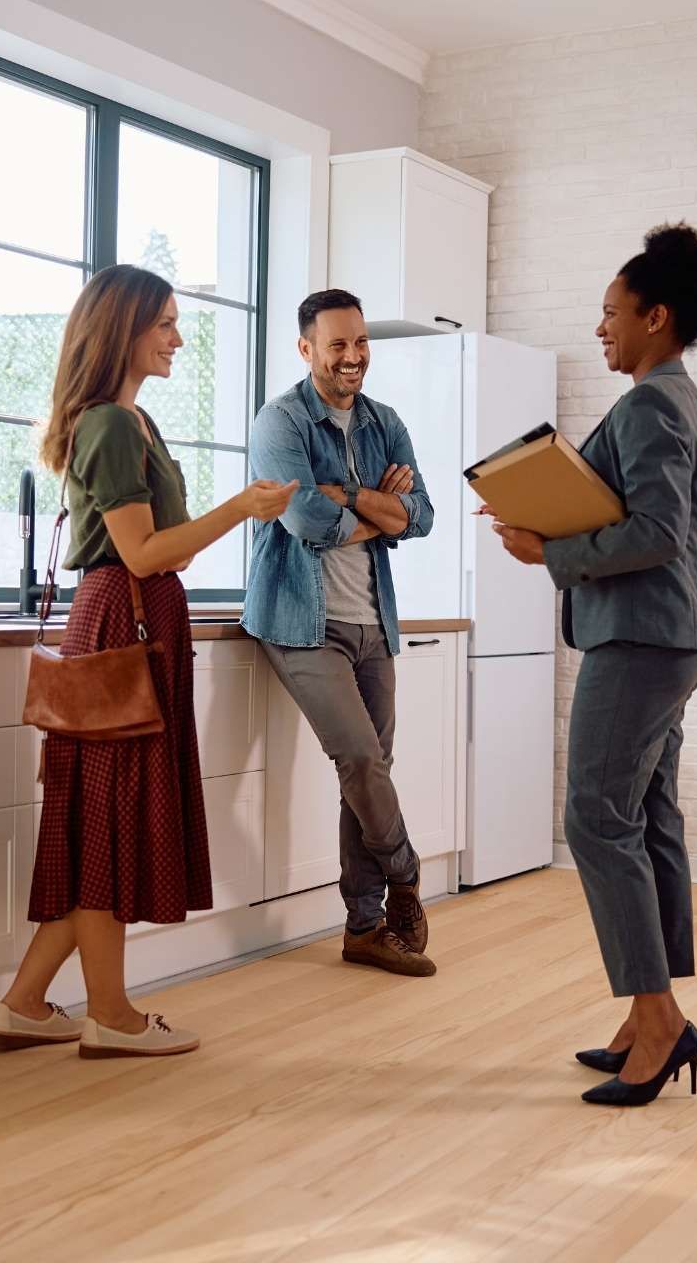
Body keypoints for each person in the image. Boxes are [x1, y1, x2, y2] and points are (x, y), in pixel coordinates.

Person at [0, 265, 296, 1059]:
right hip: (123, 626)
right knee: (107, 824)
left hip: (129, 624)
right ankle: (113, 1016)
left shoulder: (130, 421)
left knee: (98, 822)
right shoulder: (115, 426)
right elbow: (143, 551)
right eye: (163, 323)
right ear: (122, 329)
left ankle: (22, 1006)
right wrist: (244, 509)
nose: (178, 338)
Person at [484, 223, 697, 1105]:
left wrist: (547, 550)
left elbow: (658, 533)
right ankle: (649, 1017)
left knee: (595, 818)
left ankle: (658, 1021)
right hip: (670, 633)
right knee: (647, 814)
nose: (601, 329)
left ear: (656, 316)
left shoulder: (653, 405)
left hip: (645, 636)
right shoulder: (680, 399)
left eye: (610, 313)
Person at [242, 289, 437, 977]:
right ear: (307, 349)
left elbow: (423, 517)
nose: (353, 357)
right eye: (337, 345)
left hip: (373, 619)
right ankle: (408, 872)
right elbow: (303, 522)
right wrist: (379, 511)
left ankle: (365, 928)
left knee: (368, 772)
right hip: (301, 620)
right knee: (358, 758)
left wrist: (350, 495)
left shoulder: (385, 421)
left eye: (360, 343)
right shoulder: (281, 421)